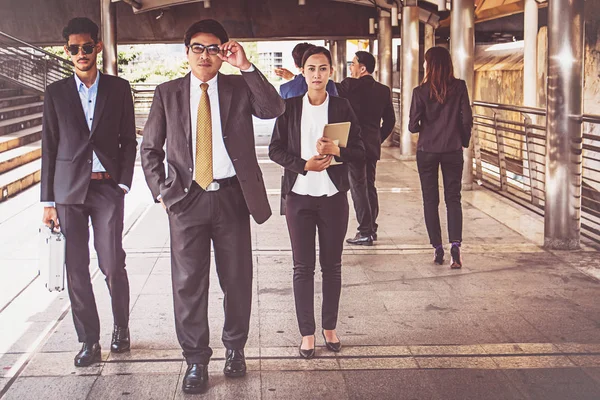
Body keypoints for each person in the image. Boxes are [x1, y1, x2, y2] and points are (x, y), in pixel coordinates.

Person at [140, 19, 284, 394]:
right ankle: (195, 360)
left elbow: (273, 109)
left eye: (214, 48)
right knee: (188, 283)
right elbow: (150, 149)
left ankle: (235, 348)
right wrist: (162, 192)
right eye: (198, 48)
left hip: (232, 197)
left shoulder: (238, 86)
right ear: (186, 52)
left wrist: (247, 66)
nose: (206, 55)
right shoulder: (167, 92)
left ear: (224, 51)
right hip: (186, 200)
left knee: (236, 279)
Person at [40, 17, 137, 367]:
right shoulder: (55, 93)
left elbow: (129, 139)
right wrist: (48, 201)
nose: (81, 54)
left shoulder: (119, 88)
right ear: (67, 52)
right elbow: (49, 147)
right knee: (76, 267)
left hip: (107, 188)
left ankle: (121, 327)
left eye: (86, 47)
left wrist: (123, 182)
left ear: (98, 46)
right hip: (68, 193)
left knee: (112, 262)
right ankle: (89, 340)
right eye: (73, 49)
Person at [269, 46, 364, 359]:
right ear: (303, 72)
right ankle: (307, 333)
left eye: (323, 69)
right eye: (311, 69)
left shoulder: (342, 106)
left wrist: (337, 149)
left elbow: (361, 151)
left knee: (332, 267)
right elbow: (275, 150)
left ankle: (330, 328)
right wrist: (302, 164)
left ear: (331, 72)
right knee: (302, 267)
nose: (317, 75)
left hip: (334, 197)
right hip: (298, 197)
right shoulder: (290, 107)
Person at [408, 46, 472, 268]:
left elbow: (412, 126)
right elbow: (466, 120)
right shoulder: (460, 87)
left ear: (429, 65)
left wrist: (425, 124)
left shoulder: (420, 92)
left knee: (430, 200)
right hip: (452, 149)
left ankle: (437, 248)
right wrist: (462, 141)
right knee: (453, 198)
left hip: (427, 151)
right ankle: (455, 245)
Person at [336, 51, 395, 246]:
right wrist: (377, 138)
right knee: (369, 185)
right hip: (371, 145)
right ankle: (372, 227)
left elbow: (329, 92)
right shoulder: (383, 90)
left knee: (358, 188)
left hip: (354, 145)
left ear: (362, 68)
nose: (351, 68)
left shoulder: (348, 85)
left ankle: (365, 231)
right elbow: (390, 121)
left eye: (353, 64)